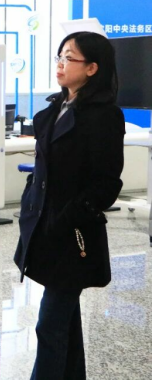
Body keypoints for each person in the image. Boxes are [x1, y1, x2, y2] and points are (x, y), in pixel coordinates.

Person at [14, 32, 124, 380]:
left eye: (69, 58)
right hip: (42, 225)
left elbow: (107, 183)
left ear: (92, 68)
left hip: (72, 232)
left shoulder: (105, 116)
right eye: (59, 57)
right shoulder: (52, 111)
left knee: (50, 323)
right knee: (64, 321)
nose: (60, 64)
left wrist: (69, 217)